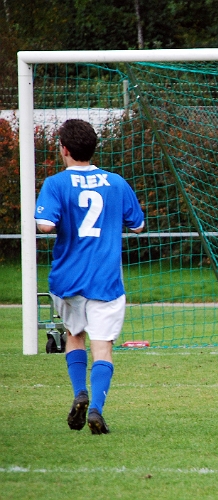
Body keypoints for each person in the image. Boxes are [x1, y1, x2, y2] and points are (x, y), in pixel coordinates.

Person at [35, 119, 145, 435]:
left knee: (74, 335)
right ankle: (96, 407)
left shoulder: (55, 184)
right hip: (106, 279)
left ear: (65, 150)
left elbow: (45, 225)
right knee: (103, 347)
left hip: (67, 278)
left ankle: (78, 392)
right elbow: (137, 225)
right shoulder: (116, 183)